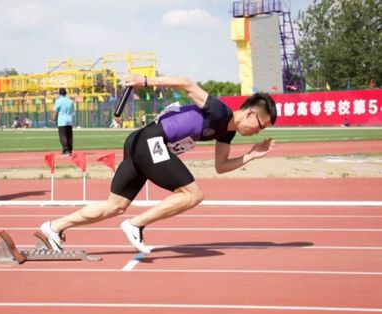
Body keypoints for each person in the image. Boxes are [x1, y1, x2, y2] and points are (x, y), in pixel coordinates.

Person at [40, 74, 277, 253]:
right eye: (261, 125)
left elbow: (221, 166)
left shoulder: (227, 133)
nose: (259, 132)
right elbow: (186, 83)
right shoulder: (219, 111)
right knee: (193, 194)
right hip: (151, 141)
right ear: (248, 114)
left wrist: (251, 155)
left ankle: (54, 227)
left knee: (115, 205)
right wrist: (144, 80)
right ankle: (136, 225)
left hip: (140, 141)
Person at [53, 88, 74, 156]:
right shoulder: (70, 101)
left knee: (63, 136)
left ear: (59, 93)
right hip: (69, 120)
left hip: (62, 120)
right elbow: (72, 110)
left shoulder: (58, 101)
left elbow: (56, 111)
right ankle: (70, 150)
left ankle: (66, 150)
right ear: (66, 93)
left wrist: (54, 119)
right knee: (69, 136)